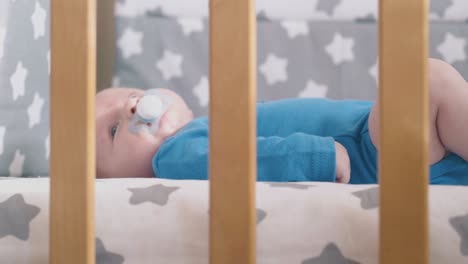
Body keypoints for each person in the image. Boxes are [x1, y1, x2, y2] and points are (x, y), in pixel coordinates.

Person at [95, 58, 468, 185]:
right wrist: (316, 157)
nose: (132, 108)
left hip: (389, 146)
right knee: (424, 80)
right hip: (371, 154)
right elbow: (243, 158)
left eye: (136, 95)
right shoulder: (174, 156)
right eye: (113, 130)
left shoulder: (205, 128)